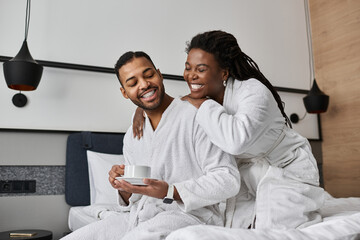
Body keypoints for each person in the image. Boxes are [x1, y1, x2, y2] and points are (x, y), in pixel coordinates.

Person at [133, 30, 325, 230]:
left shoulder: (253, 91)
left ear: (223, 73)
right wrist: (143, 109)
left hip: (286, 169)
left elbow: (236, 141)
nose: (191, 76)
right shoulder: (200, 98)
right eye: (188, 67)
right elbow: (175, 107)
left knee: (275, 231)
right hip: (247, 180)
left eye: (201, 69)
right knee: (235, 230)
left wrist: (203, 104)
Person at [61, 51, 240, 240]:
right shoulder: (132, 134)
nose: (144, 84)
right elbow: (135, 195)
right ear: (124, 92)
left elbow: (228, 179)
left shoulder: (197, 116)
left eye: (149, 75)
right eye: (132, 83)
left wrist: (171, 191)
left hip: (190, 216)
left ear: (159, 75)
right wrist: (122, 187)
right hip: (139, 216)